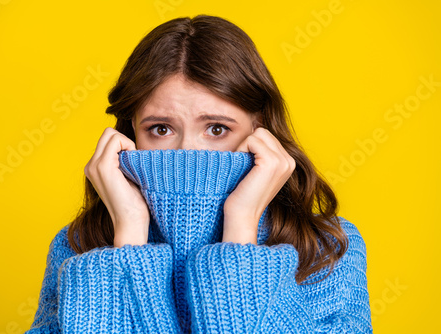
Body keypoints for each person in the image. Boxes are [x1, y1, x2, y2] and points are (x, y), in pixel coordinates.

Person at [26, 14, 373, 333]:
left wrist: (241, 227)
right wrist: (128, 238)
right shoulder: (77, 247)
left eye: (217, 129)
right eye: (161, 129)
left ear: (260, 129)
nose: (186, 152)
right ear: (131, 132)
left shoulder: (327, 249)